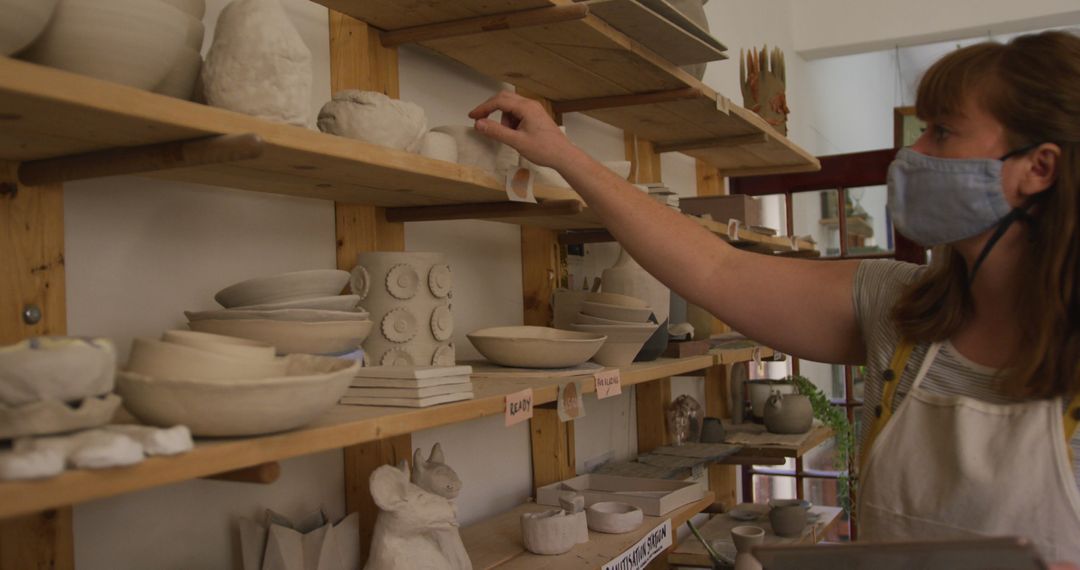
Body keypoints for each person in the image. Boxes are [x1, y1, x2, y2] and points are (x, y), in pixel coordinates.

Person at [469, 30, 1080, 565]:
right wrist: (562, 154)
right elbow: (714, 267)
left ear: (1040, 167)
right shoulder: (901, 312)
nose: (912, 155)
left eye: (942, 133)